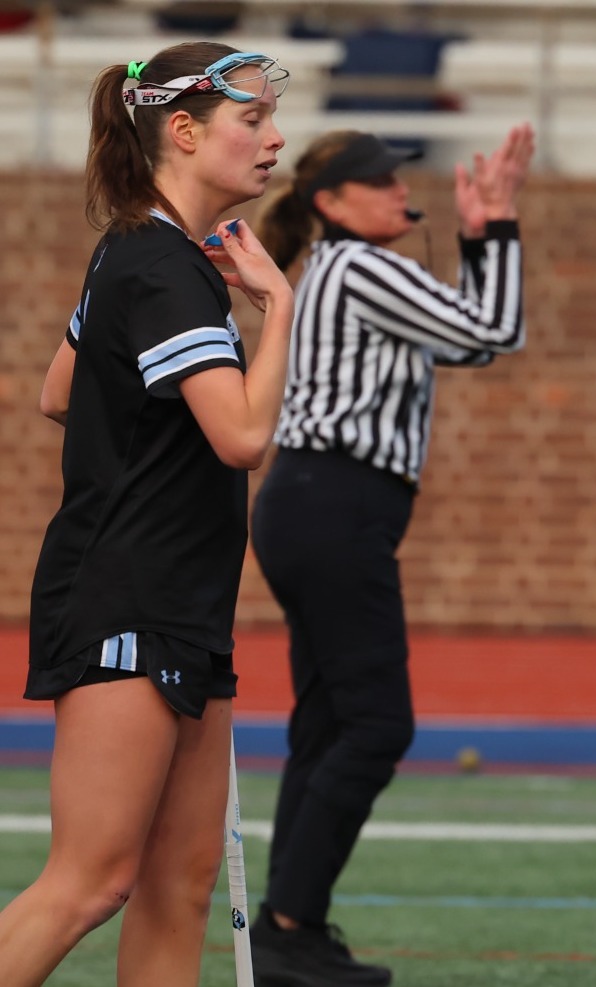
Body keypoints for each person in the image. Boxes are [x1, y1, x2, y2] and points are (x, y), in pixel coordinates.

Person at [0, 41, 292, 985]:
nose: (273, 138)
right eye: (252, 120)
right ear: (183, 129)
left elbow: (58, 391)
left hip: (179, 601)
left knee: (181, 884)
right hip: (127, 599)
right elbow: (243, 436)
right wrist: (278, 308)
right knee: (90, 881)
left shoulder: (145, 253)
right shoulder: (161, 268)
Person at [247, 123, 533, 987]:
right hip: (332, 504)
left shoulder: (345, 267)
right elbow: (499, 329)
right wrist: (496, 226)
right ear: (331, 204)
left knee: (330, 723)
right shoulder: (363, 267)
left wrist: (481, 235)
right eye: (378, 181)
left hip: (316, 506)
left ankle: (284, 928)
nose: (400, 191)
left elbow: (471, 342)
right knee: (375, 726)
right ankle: (288, 928)